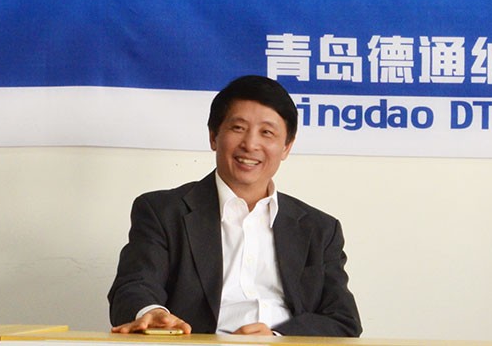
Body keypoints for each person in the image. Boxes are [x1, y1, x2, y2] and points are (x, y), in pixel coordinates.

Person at [108, 75, 362, 336]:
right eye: (238, 128)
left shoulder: (319, 229)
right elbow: (135, 285)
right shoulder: (162, 211)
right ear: (213, 136)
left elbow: (343, 320)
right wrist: (152, 312)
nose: (250, 145)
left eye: (267, 132)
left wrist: (277, 338)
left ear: (287, 147)